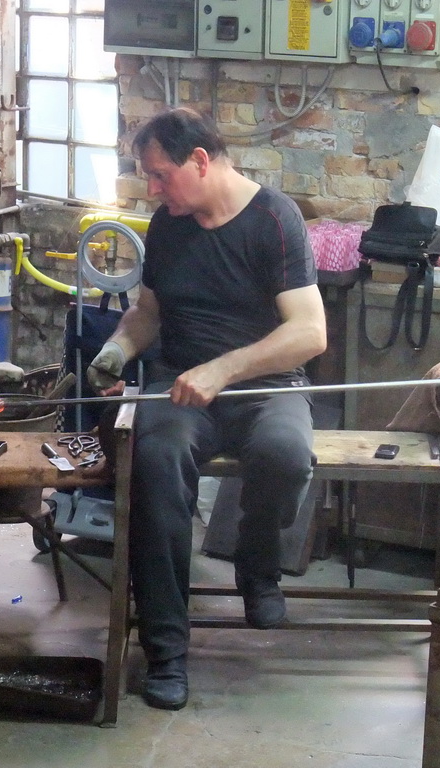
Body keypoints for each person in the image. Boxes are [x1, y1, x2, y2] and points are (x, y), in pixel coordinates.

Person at [86, 107, 327, 711]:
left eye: (161, 174)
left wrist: (224, 369)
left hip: (263, 384)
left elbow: (310, 332)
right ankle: (167, 650)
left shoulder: (275, 218)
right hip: (181, 389)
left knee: (286, 454)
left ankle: (257, 559)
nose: (153, 188)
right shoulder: (169, 225)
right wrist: (117, 351)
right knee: (156, 464)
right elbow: (148, 312)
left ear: (200, 159)